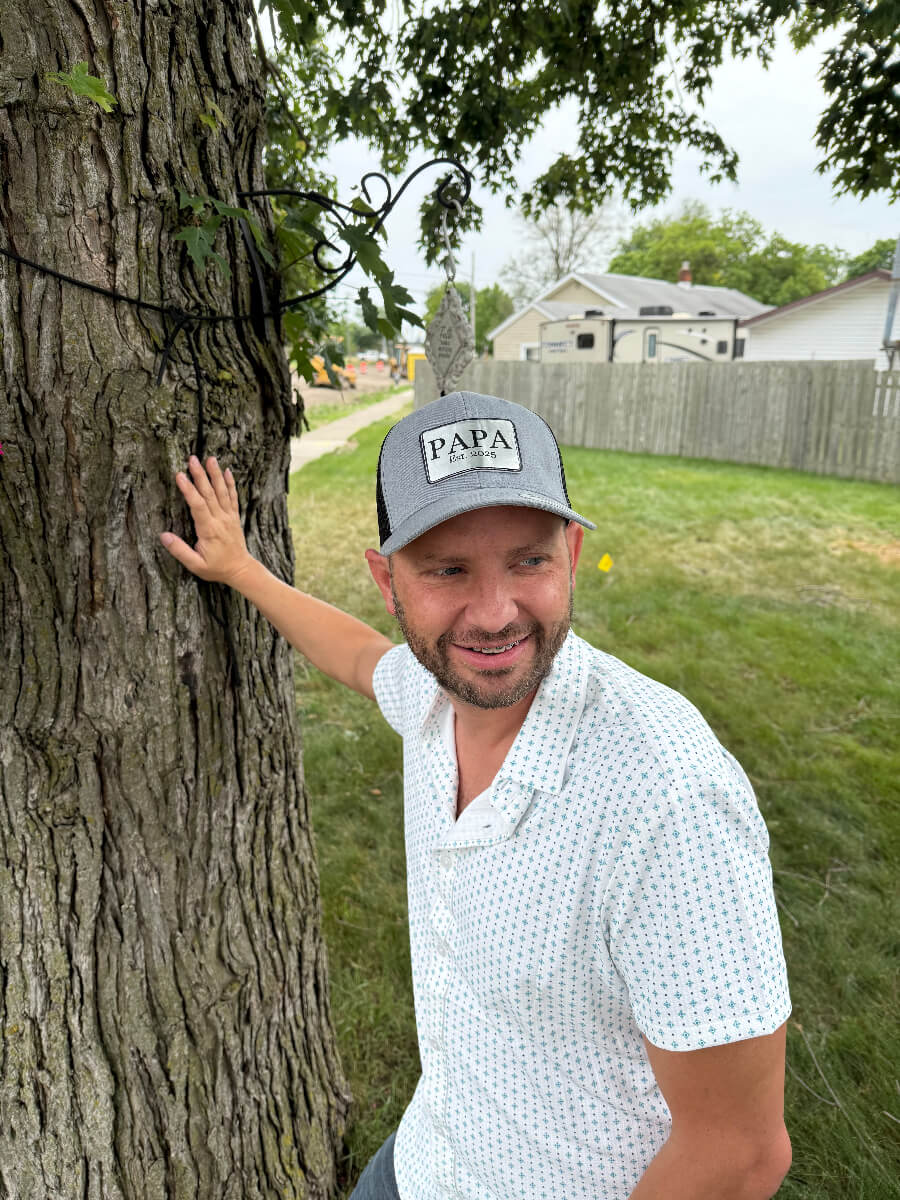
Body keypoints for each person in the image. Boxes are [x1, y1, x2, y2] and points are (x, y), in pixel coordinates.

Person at [160, 391, 792, 1200]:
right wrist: (241, 569)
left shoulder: (668, 800)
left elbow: (739, 1153)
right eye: (448, 569)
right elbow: (357, 657)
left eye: (527, 560)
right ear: (388, 582)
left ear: (571, 550)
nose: (494, 616)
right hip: (424, 1161)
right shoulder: (433, 698)